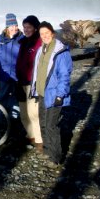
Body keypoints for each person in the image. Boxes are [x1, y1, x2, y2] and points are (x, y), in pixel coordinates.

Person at [30, 21, 73, 168]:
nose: (44, 36)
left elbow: (64, 75)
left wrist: (61, 94)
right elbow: (37, 72)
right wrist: (34, 90)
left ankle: (55, 157)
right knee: (43, 123)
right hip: (42, 93)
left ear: (52, 33)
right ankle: (48, 151)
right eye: (42, 34)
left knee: (51, 126)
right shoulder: (41, 50)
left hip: (55, 94)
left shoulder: (61, 52)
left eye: (47, 33)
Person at [16, 15, 43, 151]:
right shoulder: (23, 42)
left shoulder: (39, 42)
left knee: (33, 113)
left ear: (35, 28)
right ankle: (30, 135)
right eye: (24, 27)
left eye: (29, 27)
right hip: (21, 82)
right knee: (24, 113)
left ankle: (39, 140)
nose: (26, 30)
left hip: (33, 83)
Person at [0, 13, 24, 122]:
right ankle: (0, 124)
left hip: (16, 77)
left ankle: (14, 125)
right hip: (3, 76)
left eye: (15, 25)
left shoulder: (22, 39)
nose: (14, 28)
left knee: (15, 102)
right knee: (1, 100)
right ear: (7, 26)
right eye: (11, 26)